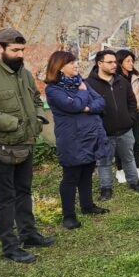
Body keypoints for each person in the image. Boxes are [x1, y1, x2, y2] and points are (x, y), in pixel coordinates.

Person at [0, 28, 55, 264]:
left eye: (22, 50)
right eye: (15, 50)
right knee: (4, 198)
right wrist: (13, 123)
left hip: (25, 143)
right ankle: (10, 245)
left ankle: (29, 234)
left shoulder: (23, 73)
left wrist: (37, 119)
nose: (20, 54)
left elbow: (36, 98)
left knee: (24, 191)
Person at [44, 51, 111, 230]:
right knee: (71, 177)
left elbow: (100, 102)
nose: (76, 65)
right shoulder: (53, 89)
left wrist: (88, 107)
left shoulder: (81, 82)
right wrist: (82, 96)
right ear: (60, 67)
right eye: (72, 63)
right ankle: (69, 216)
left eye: (75, 62)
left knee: (87, 172)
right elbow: (73, 106)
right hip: (72, 139)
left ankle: (87, 206)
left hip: (90, 136)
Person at [86, 49, 139, 200]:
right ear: (100, 64)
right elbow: (88, 107)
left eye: (115, 61)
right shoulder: (89, 84)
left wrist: (130, 118)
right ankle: (106, 189)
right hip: (104, 133)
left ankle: (134, 182)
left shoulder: (121, 81)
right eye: (110, 62)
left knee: (129, 157)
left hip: (125, 130)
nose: (115, 65)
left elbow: (132, 102)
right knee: (104, 162)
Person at [115, 49, 139, 179]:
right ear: (120, 62)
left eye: (132, 61)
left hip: (137, 111)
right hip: (121, 114)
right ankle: (120, 170)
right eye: (128, 61)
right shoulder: (115, 78)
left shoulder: (136, 76)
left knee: (136, 140)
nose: (131, 63)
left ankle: (136, 167)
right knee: (121, 142)